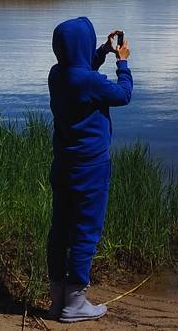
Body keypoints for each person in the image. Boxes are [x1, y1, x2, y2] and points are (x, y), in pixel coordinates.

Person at [46, 18, 132, 322]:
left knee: (60, 230)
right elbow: (123, 95)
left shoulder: (57, 75)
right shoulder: (90, 83)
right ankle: (75, 303)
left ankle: (58, 298)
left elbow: (81, 70)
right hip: (91, 168)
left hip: (63, 166)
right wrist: (122, 63)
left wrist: (101, 52)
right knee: (86, 231)